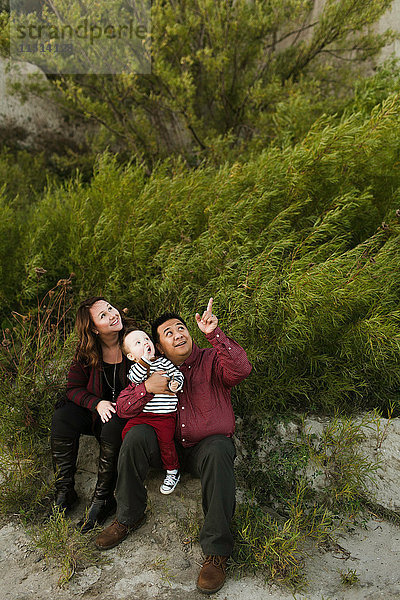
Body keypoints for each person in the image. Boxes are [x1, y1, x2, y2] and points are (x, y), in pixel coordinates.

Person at [95, 298, 252, 595]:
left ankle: (216, 551)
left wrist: (214, 334)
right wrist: (147, 388)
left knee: (219, 448)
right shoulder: (147, 369)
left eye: (181, 328)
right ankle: (129, 516)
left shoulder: (211, 359)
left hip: (205, 448)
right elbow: (125, 408)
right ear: (158, 345)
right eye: (168, 333)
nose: (178, 334)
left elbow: (241, 369)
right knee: (135, 434)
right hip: (164, 449)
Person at [50, 296, 131, 533]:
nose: (112, 314)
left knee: (113, 422)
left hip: (126, 416)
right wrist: (96, 403)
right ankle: (65, 491)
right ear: (94, 329)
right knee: (62, 416)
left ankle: (103, 498)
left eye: (110, 308)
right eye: (103, 316)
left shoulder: (134, 339)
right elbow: (73, 389)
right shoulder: (87, 351)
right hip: (99, 413)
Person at [121, 328, 184, 494]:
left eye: (146, 339)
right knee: (127, 432)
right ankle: (136, 461)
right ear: (131, 356)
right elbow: (135, 379)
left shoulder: (164, 362)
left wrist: (174, 384)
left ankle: (172, 471)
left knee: (166, 442)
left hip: (165, 416)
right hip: (144, 415)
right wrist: (144, 362)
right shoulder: (137, 367)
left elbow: (177, 375)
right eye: (138, 343)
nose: (145, 343)